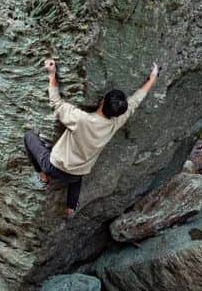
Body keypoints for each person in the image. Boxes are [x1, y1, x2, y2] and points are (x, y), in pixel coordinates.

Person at [24, 58, 160, 218]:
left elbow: (56, 103)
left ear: (102, 101)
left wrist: (52, 74)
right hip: (76, 173)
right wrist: (152, 79)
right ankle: (71, 209)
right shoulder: (115, 124)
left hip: (53, 167)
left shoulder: (81, 119)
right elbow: (135, 101)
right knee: (75, 179)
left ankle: (42, 175)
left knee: (28, 136)